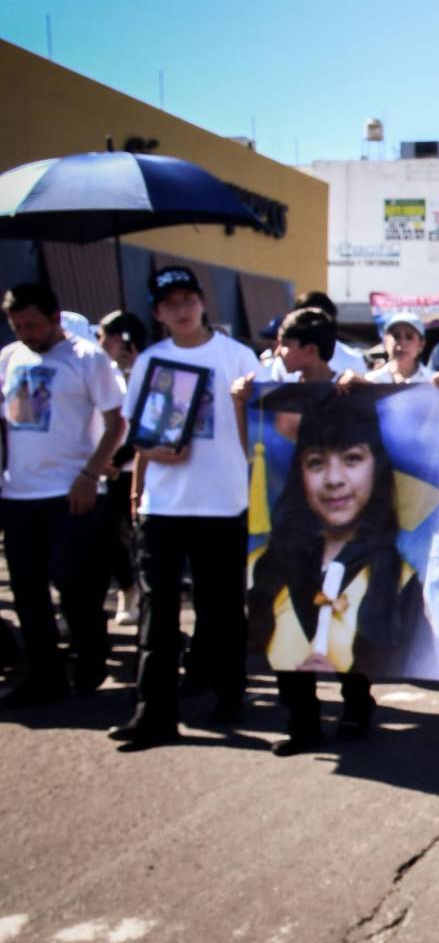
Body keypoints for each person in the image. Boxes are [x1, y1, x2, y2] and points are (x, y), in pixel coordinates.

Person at [111, 267, 262, 750]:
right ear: (157, 313)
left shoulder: (237, 357)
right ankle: (152, 712)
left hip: (225, 502)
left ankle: (230, 694)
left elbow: (263, 431)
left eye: (188, 298)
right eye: (169, 302)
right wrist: (156, 456)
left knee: (221, 609)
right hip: (164, 507)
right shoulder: (153, 362)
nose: (181, 308)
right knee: (159, 611)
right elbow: (135, 432)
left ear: (202, 303)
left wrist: (243, 405)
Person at [240, 341, 412, 756]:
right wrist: (239, 402)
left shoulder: (402, 571)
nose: (333, 479)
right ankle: (303, 721)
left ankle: (356, 707)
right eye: (316, 462)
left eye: (352, 460)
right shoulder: (273, 563)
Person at [0, 284, 126, 704]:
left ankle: (91, 651)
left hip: (72, 490)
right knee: (28, 589)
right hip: (18, 492)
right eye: (16, 325)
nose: (25, 333)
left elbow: (116, 423)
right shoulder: (9, 358)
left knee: (73, 583)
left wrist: (91, 474)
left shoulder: (88, 359)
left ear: (55, 318)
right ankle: (44, 673)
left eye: (32, 324)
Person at [95, 311, 148, 627]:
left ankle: (133, 593)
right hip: (104, 468)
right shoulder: (99, 369)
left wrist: (114, 463)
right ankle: (123, 591)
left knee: (130, 537)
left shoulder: (144, 369)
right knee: (105, 539)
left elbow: (138, 422)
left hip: (131, 468)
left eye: (103, 335)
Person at [366, 312, 427, 384]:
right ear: (386, 341)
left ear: (421, 345)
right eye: (396, 336)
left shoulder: (433, 382)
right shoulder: (372, 381)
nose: (402, 342)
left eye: (409, 337)